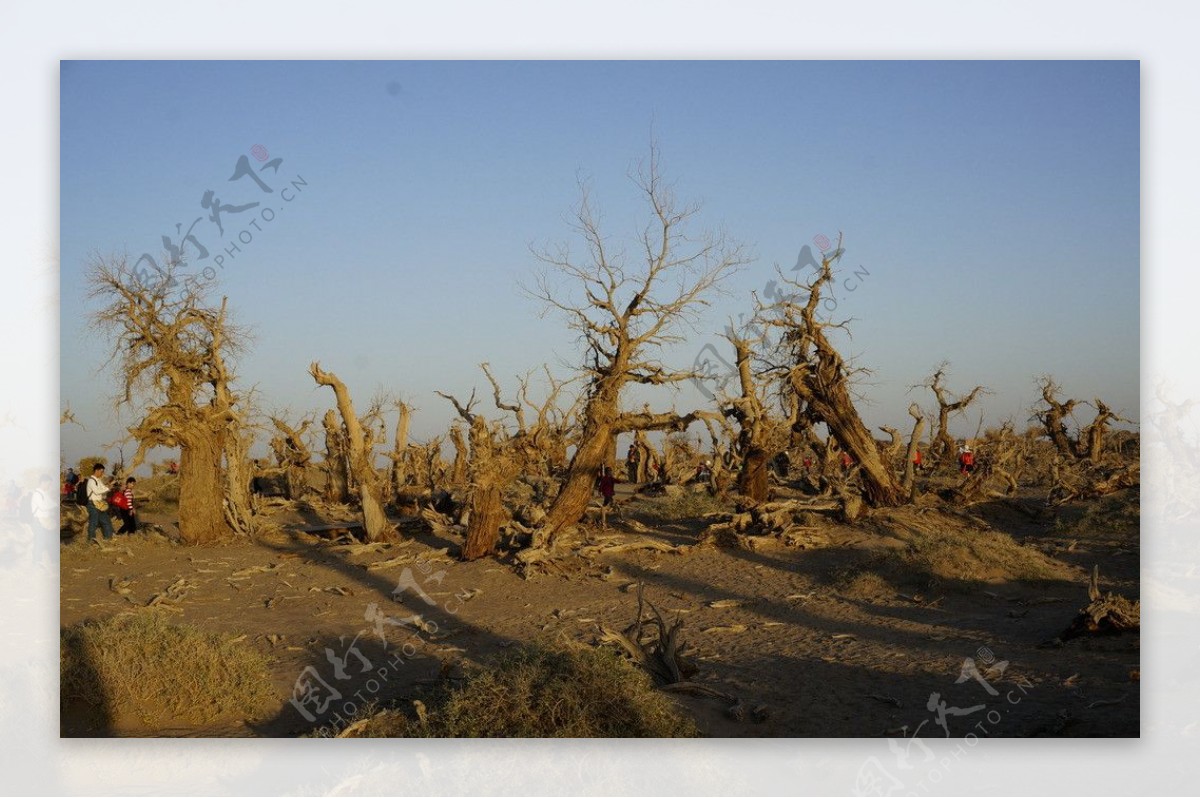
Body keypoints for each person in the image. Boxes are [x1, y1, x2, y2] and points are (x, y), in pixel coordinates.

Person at [85, 463, 116, 543]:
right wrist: (108, 488)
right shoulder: (91, 481)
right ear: (96, 470)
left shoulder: (98, 480)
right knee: (93, 522)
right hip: (92, 504)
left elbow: (103, 488)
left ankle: (108, 538)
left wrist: (110, 486)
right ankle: (91, 540)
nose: (102, 473)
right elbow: (97, 491)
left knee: (106, 521)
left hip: (99, 504)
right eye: (101, 471)